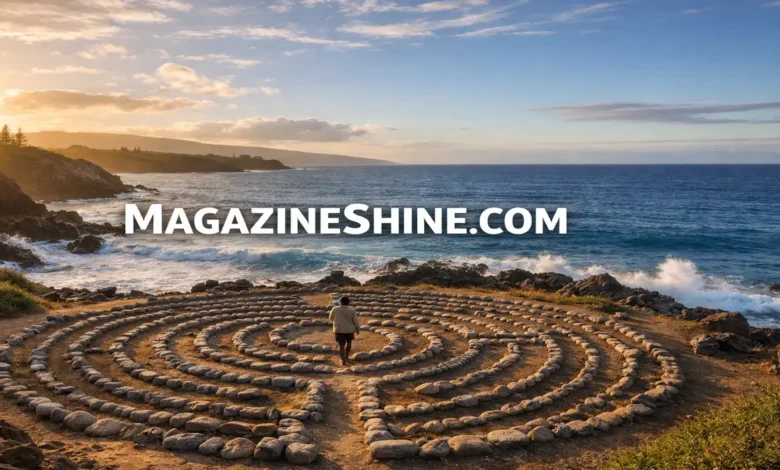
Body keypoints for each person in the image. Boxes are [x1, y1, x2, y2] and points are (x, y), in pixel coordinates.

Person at [328, 296, 360, 365]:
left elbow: (330, 318)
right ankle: (347, 357)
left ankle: (343, 360)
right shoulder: (352, 310)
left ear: (340, 302)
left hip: (339, 329)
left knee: (341, 345)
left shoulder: (335, 309)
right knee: (349, 343)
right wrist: (358, 329)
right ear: (348, 303)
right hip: (349, 330)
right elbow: (355, 321)